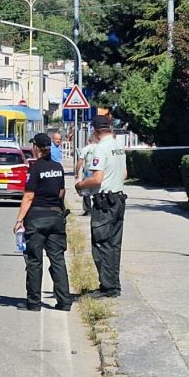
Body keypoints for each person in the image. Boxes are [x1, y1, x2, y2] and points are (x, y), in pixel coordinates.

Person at [13, 133, 72, 312]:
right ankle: (64, 302)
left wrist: (19, 219)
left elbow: (29, 196)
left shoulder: (35, 168)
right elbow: (61, 192)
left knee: (34, 261)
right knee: (58, 260)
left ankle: (34, 302)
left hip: (36, 219)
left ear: (36, 147)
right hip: (55, 217)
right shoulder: (58, 167)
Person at [75, 115, 127, 299]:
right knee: (114, 245)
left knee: (101, 244)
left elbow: (97, 179)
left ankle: (107, 287)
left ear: (95, 131)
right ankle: (114, 284)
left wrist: (80, 185)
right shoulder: (118, 146)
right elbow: (125, 173)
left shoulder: (100, 148)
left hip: (104, 202)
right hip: (119, 199)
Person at [75, 134, 98, 216]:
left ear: (88, 141)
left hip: (88, 170)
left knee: (86, 191)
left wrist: (76, 172)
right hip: (98, 170)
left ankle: (87, 209)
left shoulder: (86, 148)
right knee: (97, 190)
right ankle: (97, 208)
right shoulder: (100, 148)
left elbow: (80, 161)